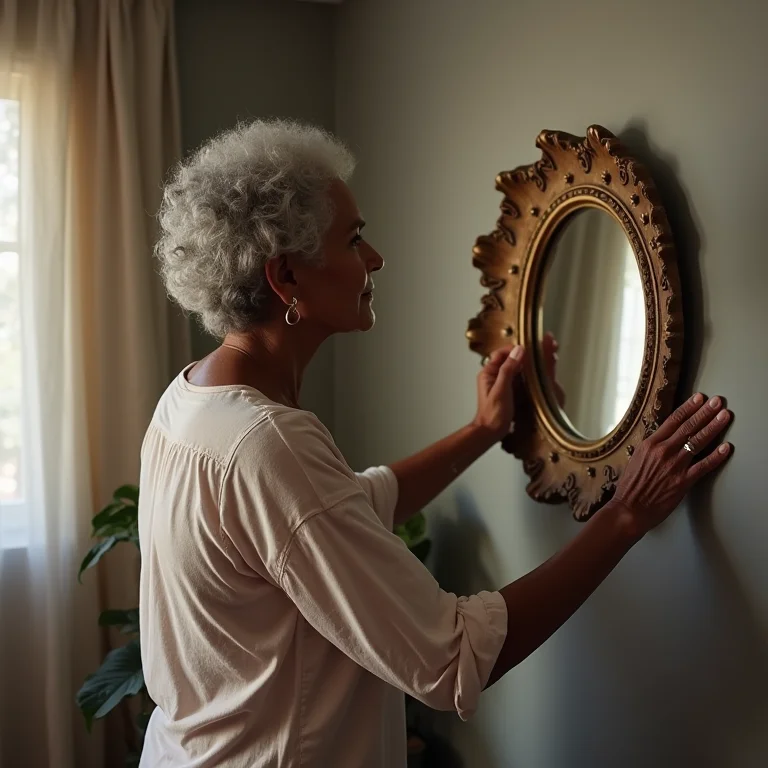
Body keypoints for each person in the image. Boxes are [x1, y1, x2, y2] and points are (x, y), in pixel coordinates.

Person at [139, 119, 733, 768]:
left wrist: (482, 431)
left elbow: (330, 516)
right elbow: (452, 658)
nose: (375, 259)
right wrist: (624, 515)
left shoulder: (191, 401)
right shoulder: (267, 442)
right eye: (354, 239)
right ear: (287, 279)